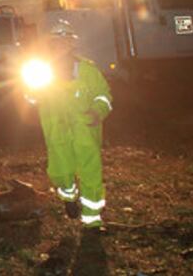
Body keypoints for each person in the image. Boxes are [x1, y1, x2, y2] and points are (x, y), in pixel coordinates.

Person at [32, 20, 113, 230]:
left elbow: (103, 95)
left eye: (65, 41)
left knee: (91, 173)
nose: (60, 45)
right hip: (57, 131)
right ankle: (68, 197)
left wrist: (98, 111)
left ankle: (92, 220)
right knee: (61, 171)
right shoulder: (41, 71)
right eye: (56, 42)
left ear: (71, 44)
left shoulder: (87, 70)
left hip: (85, 129)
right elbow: (30, 96)